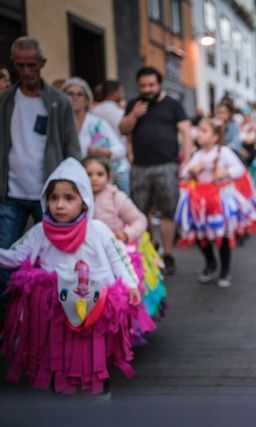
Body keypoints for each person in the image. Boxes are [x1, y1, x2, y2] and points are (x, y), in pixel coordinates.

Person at [0, 158, 146, 394]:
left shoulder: (97, 230)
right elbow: (16, 256)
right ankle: (60, 396)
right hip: (55, 309)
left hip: (94, 305)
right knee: (55, 354)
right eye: (54, 197)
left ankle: (100, 394)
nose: (59, 205)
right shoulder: (40, 232)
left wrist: (131, 285)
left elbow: (118, 257)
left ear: (84, 200)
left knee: (93, 354)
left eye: (69, 198)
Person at [0, 37, 80, 327]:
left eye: (31, 65)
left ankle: (49, 322)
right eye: (19, 65)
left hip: (49, 195)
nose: (26, 71)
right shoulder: (5, 101)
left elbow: (72, 147)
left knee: (51, 261)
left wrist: (75, 192)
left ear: (42, 64)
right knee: (5, 258)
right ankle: (7, 322)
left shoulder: (58, 102)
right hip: (10, 193)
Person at [119, 66, 193, 275]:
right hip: (140, 167)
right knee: (140, 213)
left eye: (151, 85)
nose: (147, 89)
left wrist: (185, 161)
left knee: (167, 212)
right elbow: (124, 129)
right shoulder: (135, 104)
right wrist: (134, 115)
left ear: (159, 84)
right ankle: (150, 251)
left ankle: (168, 254)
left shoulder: (173, 105)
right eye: (143, 86)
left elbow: (186, 132)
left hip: (166, 166)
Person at [176, 118, 256, 288]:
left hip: (219, 200)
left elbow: (239, 169)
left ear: (215, 137)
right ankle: (210, 263)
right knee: (203, 235)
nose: (199, 134)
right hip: (201, 203)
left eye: (204, 131)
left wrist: (225, 172)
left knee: (223, 235)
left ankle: (225, 269)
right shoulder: (198, 155)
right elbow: (184, 173)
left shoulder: (223, 152)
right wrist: (192, 170)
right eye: (199, 130)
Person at [83, 155, 166, 319]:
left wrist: (126, 234)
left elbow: (140, 220)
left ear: (108, 176)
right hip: (88, 254)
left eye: (99, 174)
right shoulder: (78, 197)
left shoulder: (116, 197)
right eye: (88, 174)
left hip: (117, 252)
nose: (94, 179)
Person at [62, 77, 127, 185]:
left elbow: (121, 150)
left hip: (100, 182)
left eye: (79, 94)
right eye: (70, 93)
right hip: (70, 181)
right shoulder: (58, 124)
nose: (74, 97)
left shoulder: (97, 124)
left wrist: (105, 152)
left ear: (87, 100)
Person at [91, 80, 131, 194]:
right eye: (121, 91)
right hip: (118, 164)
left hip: (99, 164)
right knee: (124, 201)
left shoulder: (93, 111)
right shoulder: (113, 109)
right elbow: (126, 128)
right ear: (115, 92)